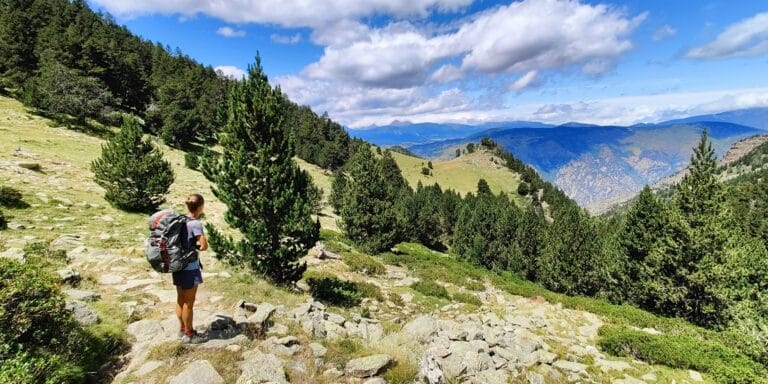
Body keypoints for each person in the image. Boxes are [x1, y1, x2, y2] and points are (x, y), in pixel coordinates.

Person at [173, 193, 207, 344]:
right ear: (200, 206)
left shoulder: (179, 220)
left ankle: (181, 329)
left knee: (180, 299)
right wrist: (198, 245)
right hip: (190, 267)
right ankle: (189, 333)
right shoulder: (195, 223)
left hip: (176, 265)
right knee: (189, 303)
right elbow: (204, 245)